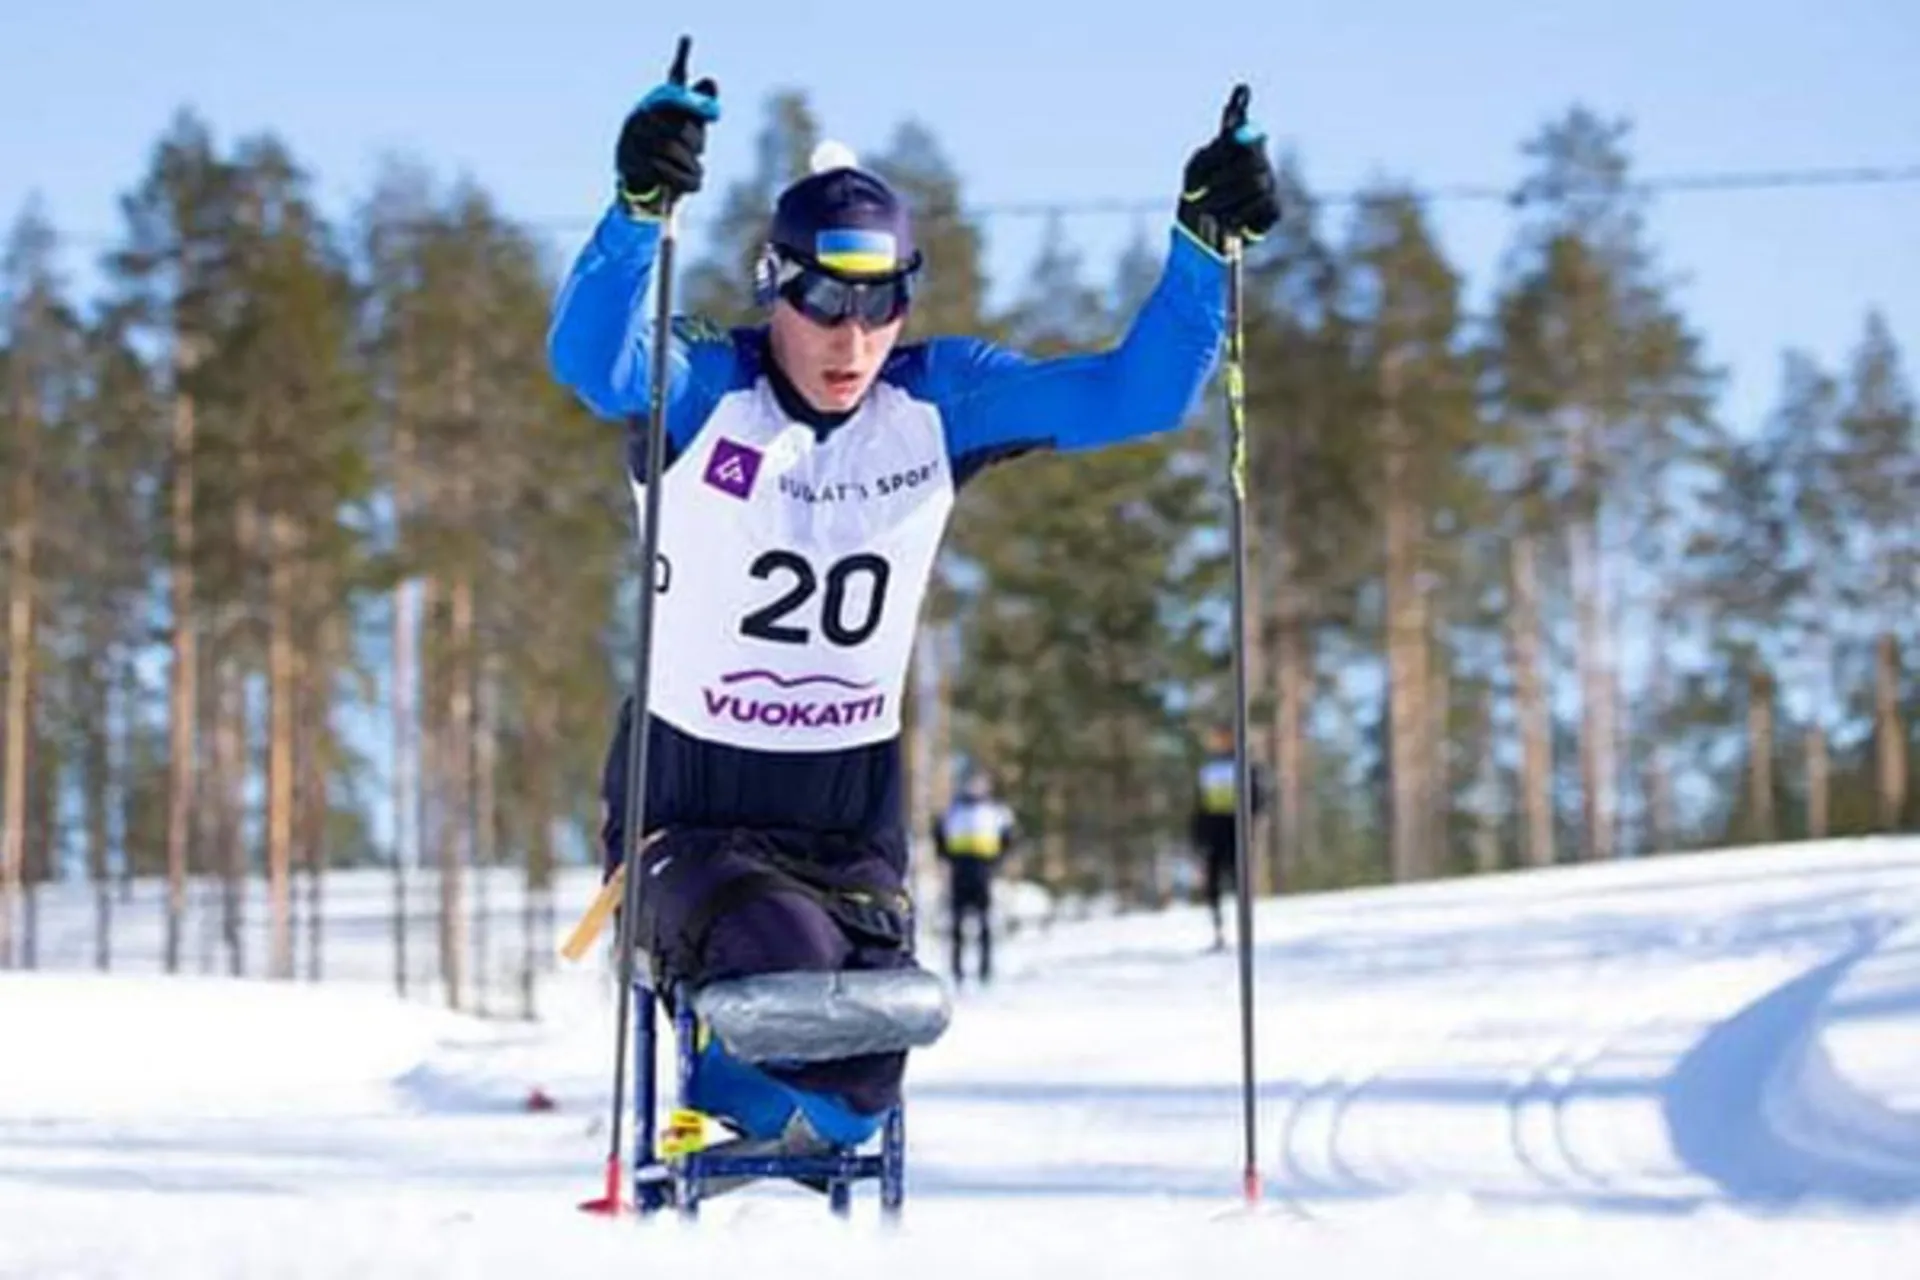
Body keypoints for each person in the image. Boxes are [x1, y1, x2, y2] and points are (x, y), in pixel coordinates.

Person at [547, 41, 1279, 1152]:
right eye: (825, 303)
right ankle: (719, 1078)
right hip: (691, 794)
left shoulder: (937, 403)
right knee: (779, 958)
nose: (851, 339)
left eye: (879, 306)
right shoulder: (703, 384)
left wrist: (1198, 246)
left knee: (864, 1077)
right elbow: (587, 359)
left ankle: (752, 1097)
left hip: (850, 814)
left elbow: (1137, 394)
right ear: (774, 285)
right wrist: (638, 208)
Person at [931, 772, 1017, 987]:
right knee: (957, 924)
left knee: (985, 924)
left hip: (984, 872)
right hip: (960, 871)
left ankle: (985, 971)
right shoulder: (953, 811)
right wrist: (943, 862)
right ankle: (957, 971)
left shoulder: (997, 812)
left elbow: (1008, 839)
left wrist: (1000, 863)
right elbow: (939, 838)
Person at [1189, 723, 1266, 949]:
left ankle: (1245, 932)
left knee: (1239, 880)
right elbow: (1200, 804)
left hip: (1236, 831)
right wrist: (1197, 834)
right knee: (1212, 883)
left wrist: (1248, 820)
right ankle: (1218, 932)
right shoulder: (1208, 768)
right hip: (1213, 832)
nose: (1219, 742)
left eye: (1223, 737)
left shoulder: (1244, 765)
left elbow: (1257, 798)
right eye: (1216, 738)